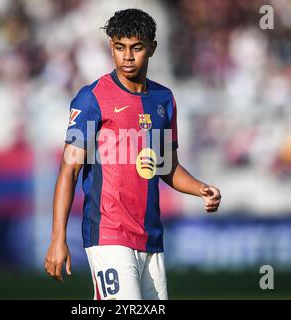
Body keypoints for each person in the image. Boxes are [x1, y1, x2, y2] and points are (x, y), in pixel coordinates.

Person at [44, 8, 221, 300]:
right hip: (108, 235)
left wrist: (200, 188)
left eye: (136, 48)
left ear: (152, 47)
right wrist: (57, 239)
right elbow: (69, 170)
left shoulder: (164, 100)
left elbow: (167, 167)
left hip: (151, 238)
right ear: (111, 46)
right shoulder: (92, 98)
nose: (127, 56)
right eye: (119, 47)